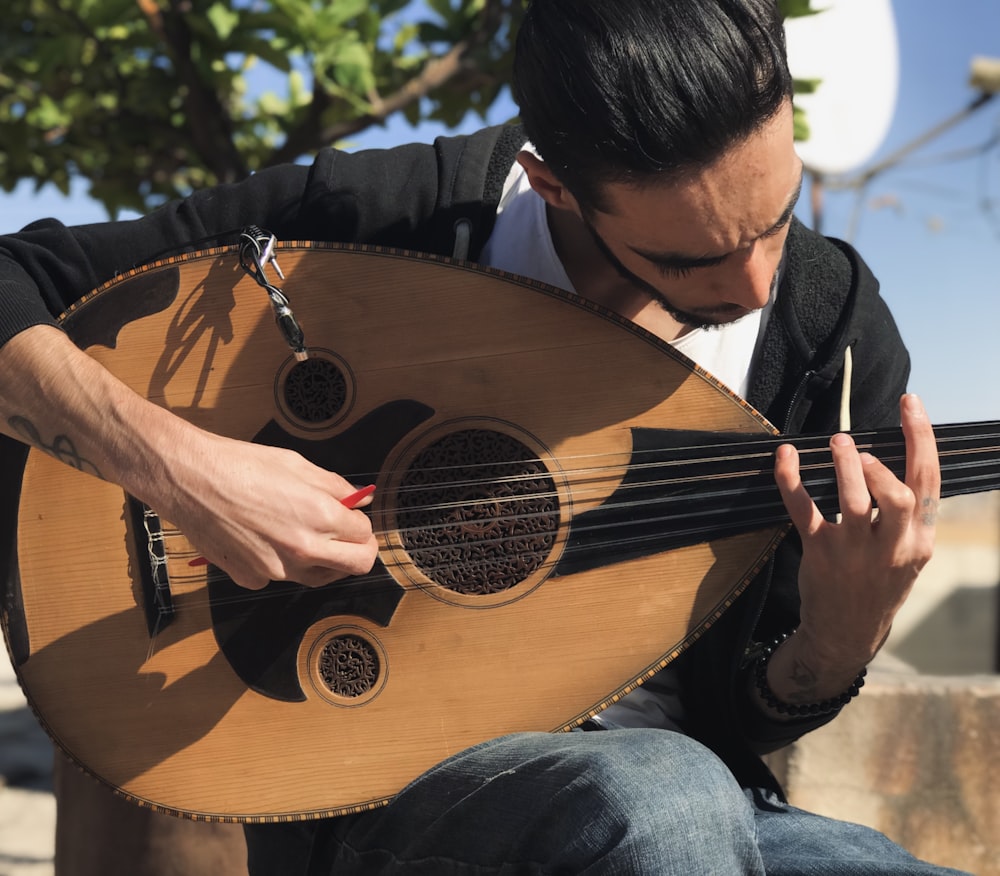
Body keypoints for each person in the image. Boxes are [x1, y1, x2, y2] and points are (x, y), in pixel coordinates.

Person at [0, 0, 964, 873]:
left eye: (775, 219)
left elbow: (742, 716)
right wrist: (186, 473)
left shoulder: (829, 333)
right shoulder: (400, 217)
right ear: (553, 185)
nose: (755, 284)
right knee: (665, 799)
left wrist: (839, 638)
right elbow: (21, 281)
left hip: (703, 821)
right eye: (688, 255)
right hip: (392, 800)